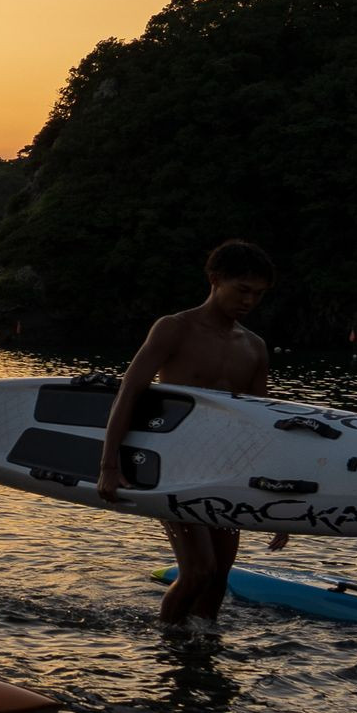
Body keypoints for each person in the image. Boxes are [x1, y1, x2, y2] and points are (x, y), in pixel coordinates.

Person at [97, 239, 276, 628]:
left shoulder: (255, 347)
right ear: (215, 279)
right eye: (242, 290)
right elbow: (128, 394)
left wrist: (275, 503)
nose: (249, 301)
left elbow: (260, 425)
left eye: (259, 294)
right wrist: (109, 465)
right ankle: (167, 642)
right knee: (198, 572)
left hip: (225, 472)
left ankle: (202, 650)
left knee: (218, 580)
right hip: (175, 469)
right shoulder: (174, 329)